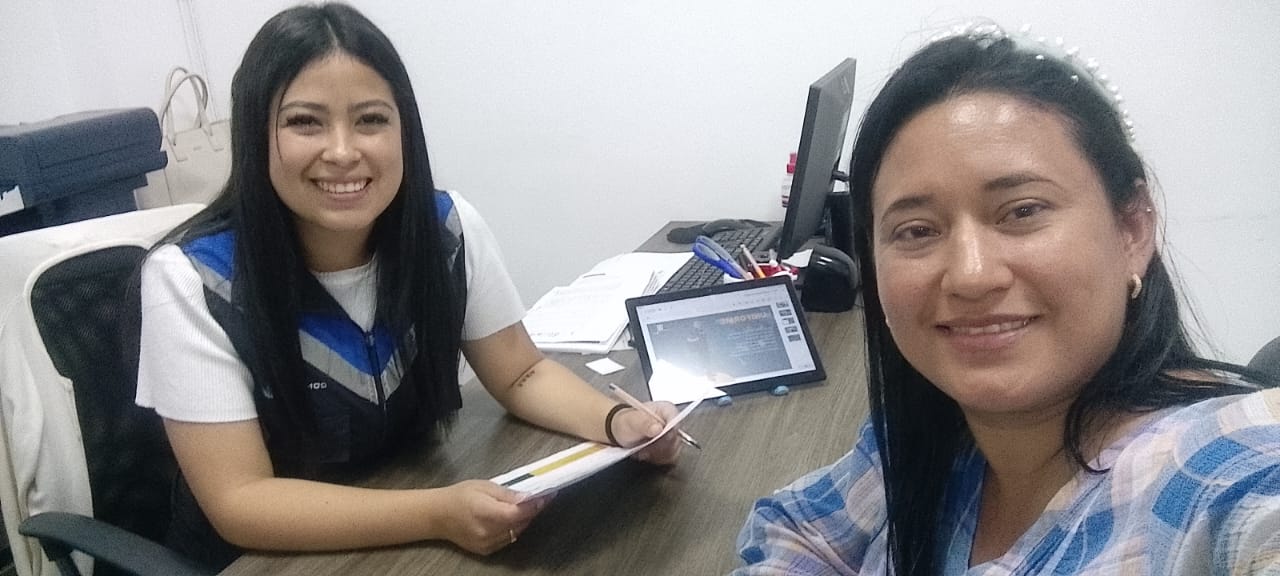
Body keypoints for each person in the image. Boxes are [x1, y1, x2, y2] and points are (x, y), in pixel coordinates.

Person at [131, 3, 681, 570]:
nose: (343, 151)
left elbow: (520, 373)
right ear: (254, 134)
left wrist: (619, 423)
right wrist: (437, 514)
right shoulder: (192, 280)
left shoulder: (444, 231)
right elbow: (240, 501)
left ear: (404, 130)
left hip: (406, 536)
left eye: (371, 119)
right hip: (260, 560)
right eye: (305, 122)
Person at [735, 24, 1280, 575]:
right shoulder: (932, 433)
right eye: (917, 230)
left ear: (1132, 230)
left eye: (1023, 211)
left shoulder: (1219, 469)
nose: (971, 276)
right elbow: (798, 529)